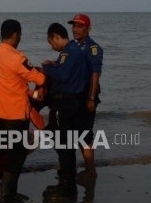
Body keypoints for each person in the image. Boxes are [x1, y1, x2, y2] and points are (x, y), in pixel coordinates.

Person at [0, 19, 45, 202]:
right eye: (20, 35)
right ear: (16, 35)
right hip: (16, 116)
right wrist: (39, 74)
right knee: (15, 156)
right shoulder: (18, 58)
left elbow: (9, 79)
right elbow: (40, 79)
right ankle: (7, 193)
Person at [40, 23, 89, 201]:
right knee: (58, 139)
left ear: (56, 37)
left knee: (64, 145)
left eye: (51, 42)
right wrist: (55, 64)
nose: (51, 46)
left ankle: (67, 186)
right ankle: (65, 179)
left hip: (66, 105)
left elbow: (63, 76)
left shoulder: (70, 52)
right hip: (71, 105)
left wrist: (46, 67)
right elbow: (65, 71)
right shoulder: (70, 52)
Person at [68, 14, 103, 180]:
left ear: (88, 28)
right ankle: (88, 170)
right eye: (74, 26)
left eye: (80, 26)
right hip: (77, 97)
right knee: (80, 133)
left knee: (86, 133)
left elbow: (96, 74)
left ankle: (91, 171)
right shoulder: (75, 46)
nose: (75, 29)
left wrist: (91, 98)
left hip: (87, 96)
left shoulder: (93, 48)